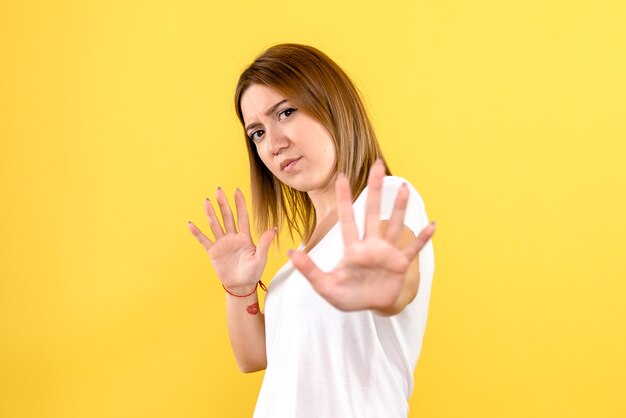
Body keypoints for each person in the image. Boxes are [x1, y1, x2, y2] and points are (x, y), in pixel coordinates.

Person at [188, 43, 436, 418]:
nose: (273, 144)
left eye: (286, 112)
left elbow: (397, 278)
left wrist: (385, 282)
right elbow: (254, 357)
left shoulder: (383, 197)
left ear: (333, 105)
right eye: (257, 132)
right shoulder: (306, 252)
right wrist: (240, 291)